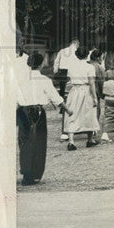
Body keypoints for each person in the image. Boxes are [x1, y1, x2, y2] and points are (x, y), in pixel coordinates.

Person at [17, 53, 71, 184]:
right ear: (41, 64)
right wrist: (67, 109)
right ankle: (34, 173)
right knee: (38, 142)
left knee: (24, 142)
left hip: (23, 111)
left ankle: (26, 172)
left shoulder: (20, 80)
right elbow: (55, 97)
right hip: (38, 112)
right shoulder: (45, 80)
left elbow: (15, 96)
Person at [63, 45, 101, 150]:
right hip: (86, 90)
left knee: (72, 114)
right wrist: (95, 97)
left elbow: (69, 81)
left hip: (74, 90)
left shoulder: (71, 67)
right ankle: (90, 139)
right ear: (87, 55)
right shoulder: (90, 67)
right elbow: (92, 83)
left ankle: (71, 141)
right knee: (89, 113)